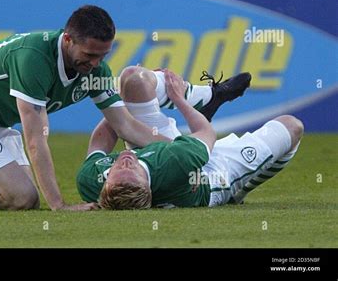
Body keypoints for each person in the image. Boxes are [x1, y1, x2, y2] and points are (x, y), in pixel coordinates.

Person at [0, 5, 250, 212]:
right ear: (68, 40)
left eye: (103, 55)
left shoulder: (95, 71)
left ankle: (203, 95)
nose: (96, 63)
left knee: (21, 198)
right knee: (23, 198)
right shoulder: (34, 59)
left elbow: (125, 126)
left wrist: (182, 152)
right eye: (90, 54)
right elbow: (35, 139)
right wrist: (60, 205)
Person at [76, 67, 303, 209]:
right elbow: (207, 133)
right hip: (212, 173)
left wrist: (118, 107)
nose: (125, 159)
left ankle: (206, 97)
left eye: (116, 170)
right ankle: (239, 190)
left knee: (133, 78)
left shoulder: (90, 181)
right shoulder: (176, 165)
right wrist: (177, 98)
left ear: (105, 185)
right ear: (149, 184)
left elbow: (98, 142)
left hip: (169, 148)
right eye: (132, 169)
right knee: (292, 127)